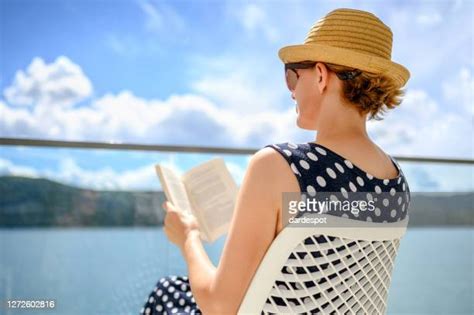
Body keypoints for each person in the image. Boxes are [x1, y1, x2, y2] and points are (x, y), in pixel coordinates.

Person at [141, 7, 412, 315]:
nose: (292, 91)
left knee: (167, 291)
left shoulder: (278, 166)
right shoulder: (397, 182)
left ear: (321, 76)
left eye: (294, 76)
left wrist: (188, 237)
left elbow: (219, 307)